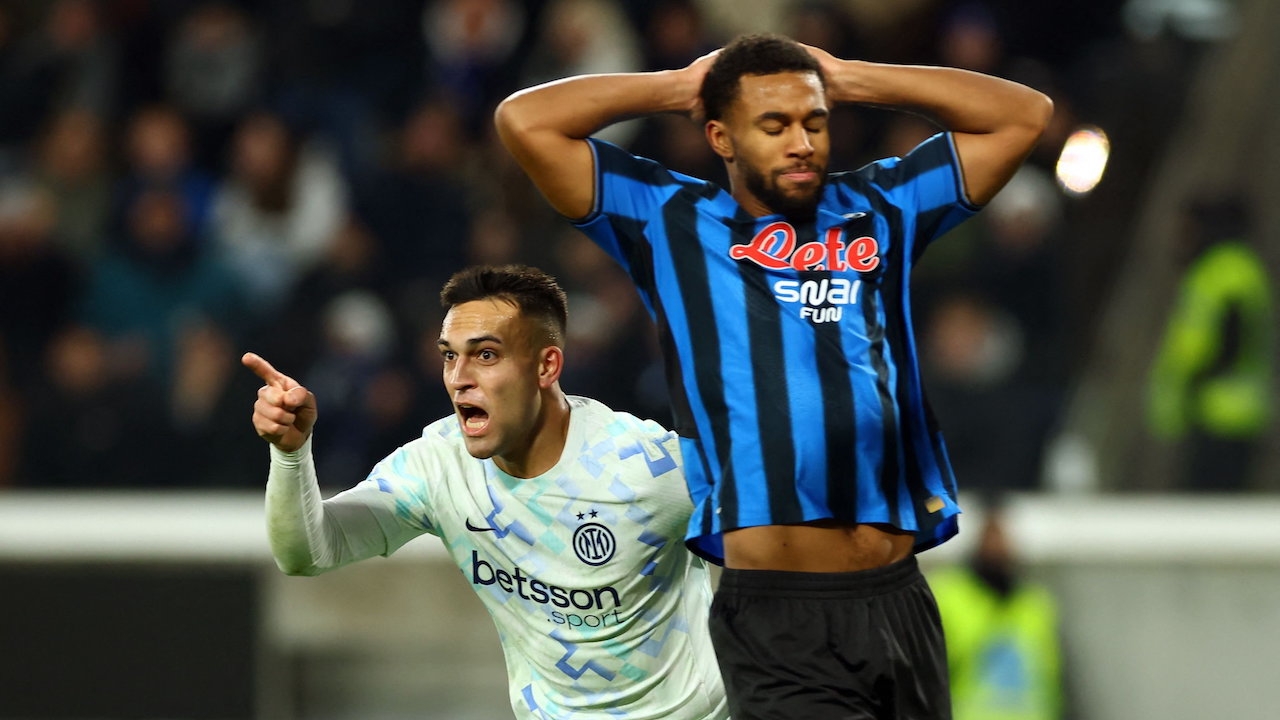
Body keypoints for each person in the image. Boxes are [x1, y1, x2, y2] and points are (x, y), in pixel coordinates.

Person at [496, 32, 1052, 718]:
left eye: (814, 122)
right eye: (774, 124)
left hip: (900, 598)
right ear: (720, 137)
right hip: (781, 613)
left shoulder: (882, 206)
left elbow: (1023, 114)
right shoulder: (671, 219)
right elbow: (525, 120)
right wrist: (678, 87)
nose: (802, 143)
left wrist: (850, 77)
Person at [244, 264, 727, 720]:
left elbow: (769, 540)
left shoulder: (648, 467)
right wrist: (290, 454)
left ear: (546, 366)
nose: (459, 379)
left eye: (486, 355)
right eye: (449, 355)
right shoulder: (438, 466)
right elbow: (309, 552)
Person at [1145, 194, 1274, 491]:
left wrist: (1198, 379)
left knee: (1210, 502)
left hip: (1221, 411)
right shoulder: (1223, 268)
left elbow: (1232, 333)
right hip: (1214, 411)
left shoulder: (1227, 269)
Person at [926, 501, 1066, 720]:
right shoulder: (947, 594)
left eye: (1003, 536)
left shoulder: (1035, 603)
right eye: (991, 536)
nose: (998, 546)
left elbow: (1054, 678)